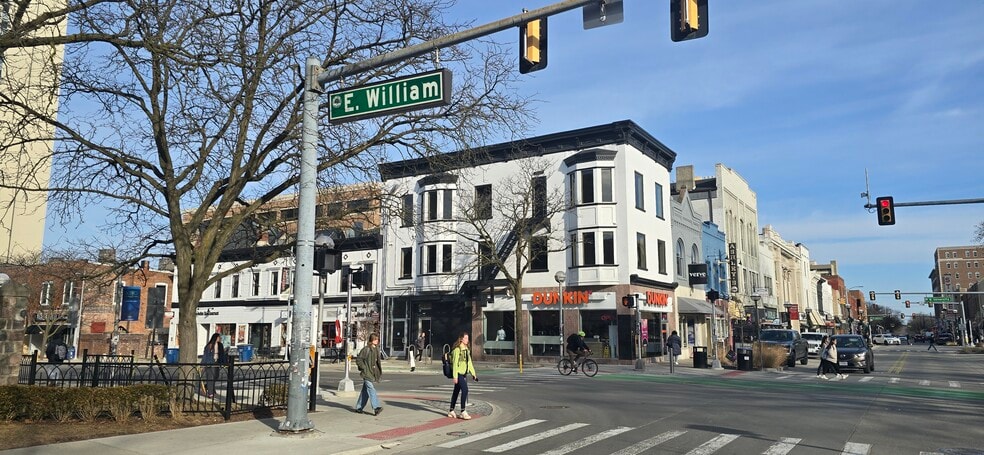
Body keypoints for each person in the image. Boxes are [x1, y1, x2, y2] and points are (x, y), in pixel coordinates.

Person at [447, 331, 478, 420]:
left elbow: (469, 363)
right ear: (461, 339)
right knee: (465, 390)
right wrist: (455, 376)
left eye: (468, 338)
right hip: (459, 373)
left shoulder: (467, 350)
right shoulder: (457, 350)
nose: (467, 340)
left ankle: (451, 410)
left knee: (456, 391)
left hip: (464, 373)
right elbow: (455, 364)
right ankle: (463, 411)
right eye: (465, 338)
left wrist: (473, 374)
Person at [354, 333, 384, 416]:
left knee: (365, 391)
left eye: (377, 339)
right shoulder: (366, 349)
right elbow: (359, 360)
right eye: (375, 339)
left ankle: (359, 407)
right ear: (371, 340)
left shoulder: (376, 349)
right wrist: (364, 368)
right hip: (366, 373)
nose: (377, 341)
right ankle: (376, 407)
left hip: (372, 373)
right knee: (371, 389)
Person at [201, 333, 228, 398]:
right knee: (210, 378)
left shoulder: (220, 345)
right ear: (215, 337)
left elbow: (222, 354)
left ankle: (207, 386)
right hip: (210, 363)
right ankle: (210, 393)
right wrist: (202, 364)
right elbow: (205, 356)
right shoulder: (209, 345)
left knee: (216, 376)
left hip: (217, 363)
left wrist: (224, 362)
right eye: (218, 337)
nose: (220, 338)